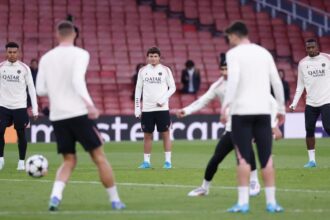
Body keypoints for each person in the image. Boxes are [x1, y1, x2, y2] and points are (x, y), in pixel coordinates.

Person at [36, 21, 125, 211]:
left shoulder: (46, 58)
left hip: (58, 115)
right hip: (77, 112)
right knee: (99, 157)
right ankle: (115, 200)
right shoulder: (81, 54)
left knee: (68, 160)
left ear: (57, 35)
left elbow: (40, 89)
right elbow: (77, 81)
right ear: (74, 34)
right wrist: (90, 104)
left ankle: (55, 197)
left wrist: (57, 91)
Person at [221, 21, 285, 213]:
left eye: (229, 36)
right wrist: (281, 108)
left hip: (241, 111)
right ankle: (272, 202)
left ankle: (243, 203)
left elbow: (234, 80)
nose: (229, 39)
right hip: (263, 111)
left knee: (243, 159)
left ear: (234, 35)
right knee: (266, 158)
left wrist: (225, 105)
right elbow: (276, 81)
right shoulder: (264, 52)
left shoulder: (233, 54)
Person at [289, 39, 330, 168]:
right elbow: (300, 85)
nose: (311, 50)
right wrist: (294, 103)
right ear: (306, 49)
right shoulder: (303, 63)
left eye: (313, 47)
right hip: (311, 102)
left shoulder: (327, 58)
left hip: (326, 100)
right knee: (309, 130)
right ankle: (312, 161)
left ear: (317, 47)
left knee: (328, 127)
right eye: (308, 48)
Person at [134, 47, 176, 169]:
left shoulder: (165, 70)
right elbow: (138, 89)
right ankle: (146, 162)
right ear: (147, 57)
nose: (153, 58)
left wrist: (163, 99)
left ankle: (168, 162)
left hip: (162, 109)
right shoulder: (142, 71)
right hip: (147, 109)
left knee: (165, 134)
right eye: (151, 56)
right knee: (147, 135)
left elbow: (172, 87)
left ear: (159, 57)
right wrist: (137, 107)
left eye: (155, 56)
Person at [0, 42, 38, 171]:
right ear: (6, 53)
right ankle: (0, 159)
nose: (12, 54)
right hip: (3, 106)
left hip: (19, 107)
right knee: (0, 131)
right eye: (10, 52)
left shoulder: (24, 68)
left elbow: (32, 89)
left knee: (21, 134)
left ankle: (21, 162)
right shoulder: (1, 67)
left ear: (18, 53)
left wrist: (35, 109)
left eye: (14, 52)